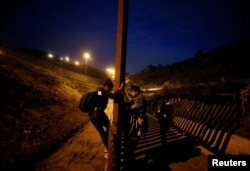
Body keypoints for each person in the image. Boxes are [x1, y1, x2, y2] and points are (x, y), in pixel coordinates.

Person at [88, 79, 124, 158]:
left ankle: (107, 149)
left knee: (101, 132)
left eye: (110, 88)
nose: (109, 89)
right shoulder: (103, 92)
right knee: (108, 126)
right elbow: (114, 96)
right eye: (109, 87)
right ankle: (108, 148)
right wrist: (120, 89)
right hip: (99, 114)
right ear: (106, 86)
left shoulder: (99, 91)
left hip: (91, 115)